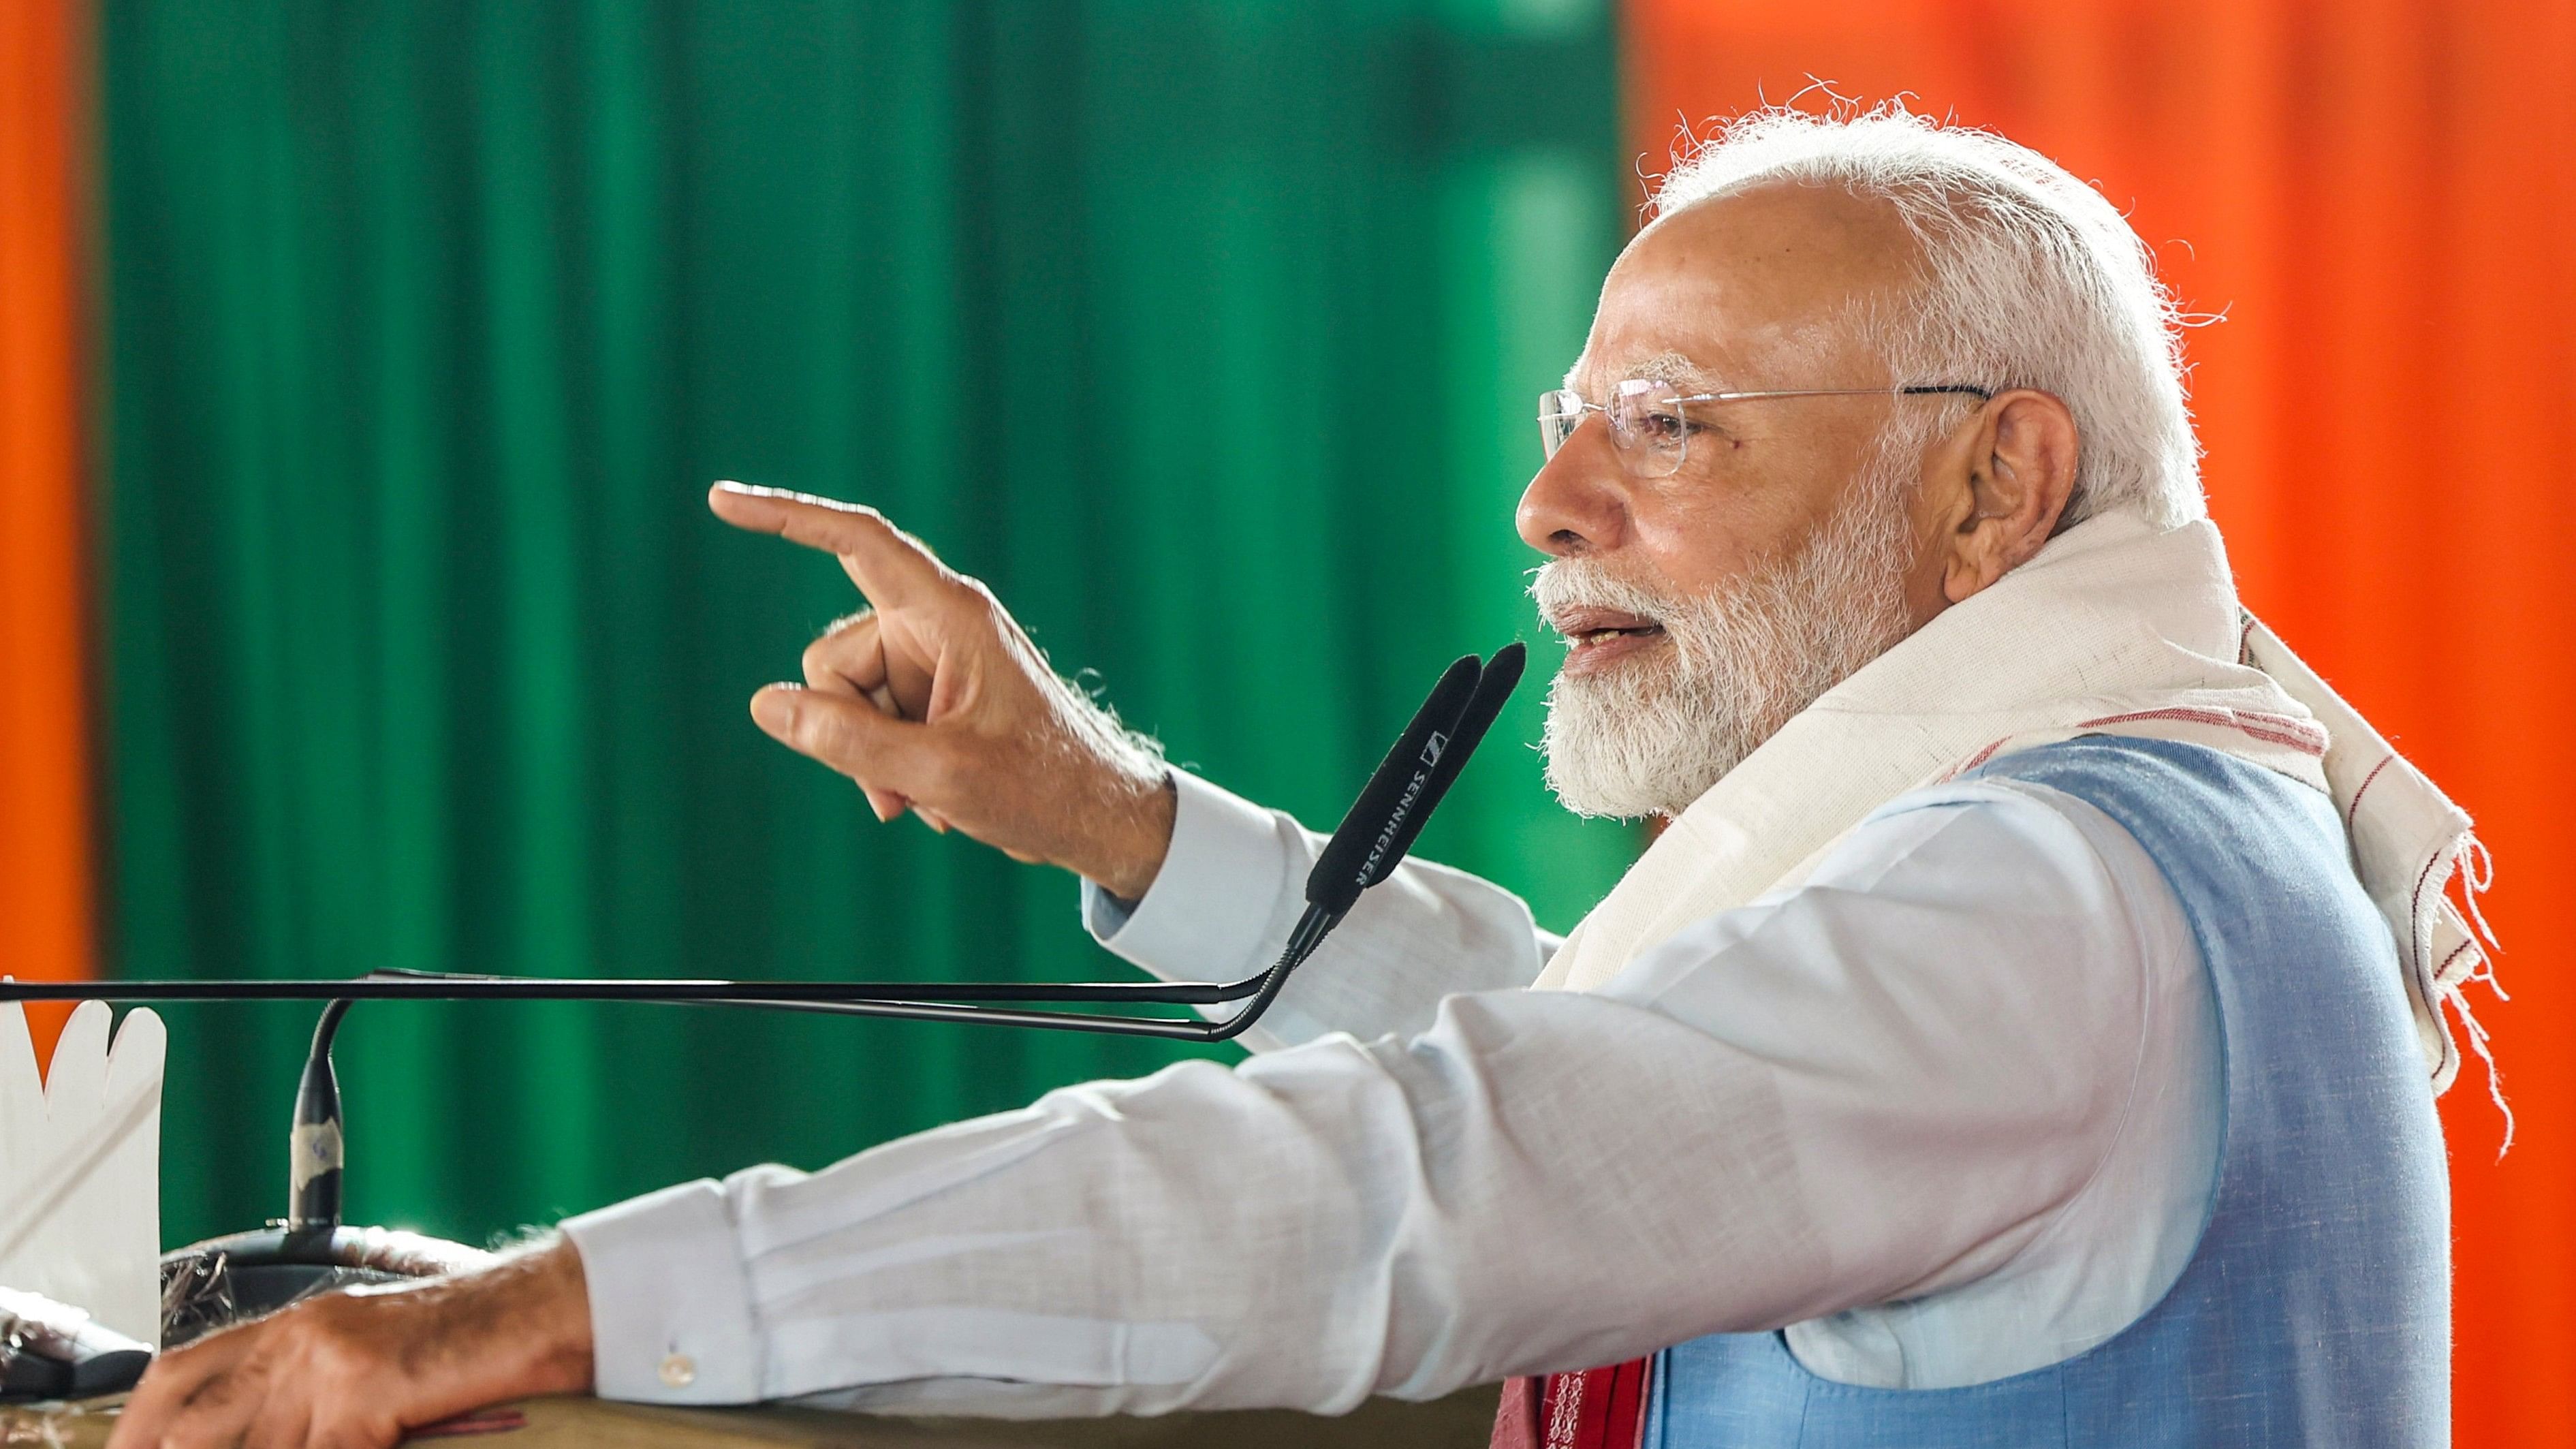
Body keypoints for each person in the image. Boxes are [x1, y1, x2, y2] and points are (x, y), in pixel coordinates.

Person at [109, 106, 2491, 1449]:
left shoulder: (2050, 910)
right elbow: (1630, 1064)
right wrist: (1105, 818)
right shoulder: (2120, 826)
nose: (1552, 512)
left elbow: (1430, 1176)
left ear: (1996, 488)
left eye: (1665, 429)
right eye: (1569, 429)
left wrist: (523, 1318)